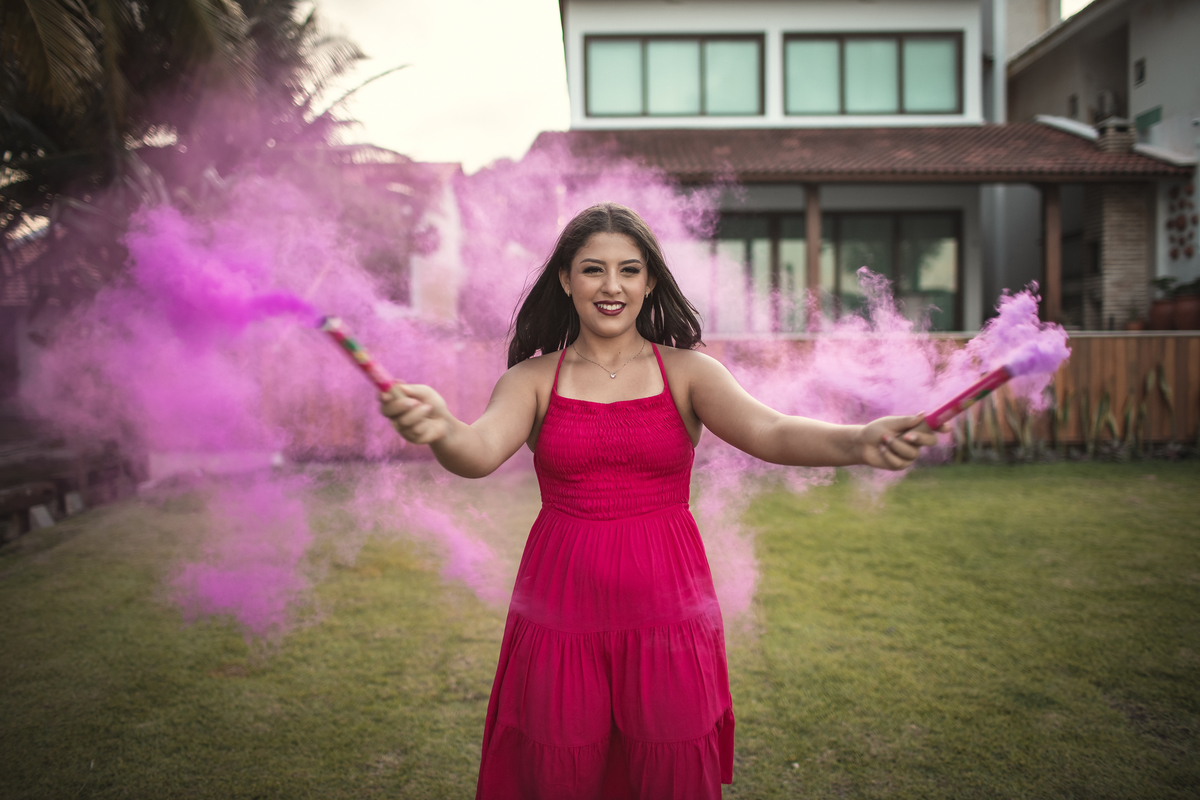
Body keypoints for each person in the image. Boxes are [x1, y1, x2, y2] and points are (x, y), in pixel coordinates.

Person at [380, 203, 942, 799]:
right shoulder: (531, 380)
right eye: (593, 269)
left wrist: (859, 440)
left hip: (668, 609)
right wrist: (440, 428)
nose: (612, 286)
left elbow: (772, 431)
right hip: (559, 607)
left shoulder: (689, 372)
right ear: (566, 280)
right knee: (557, 771)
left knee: (670, 770)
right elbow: (477, 451)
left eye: (629, 269)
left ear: (649, 282)